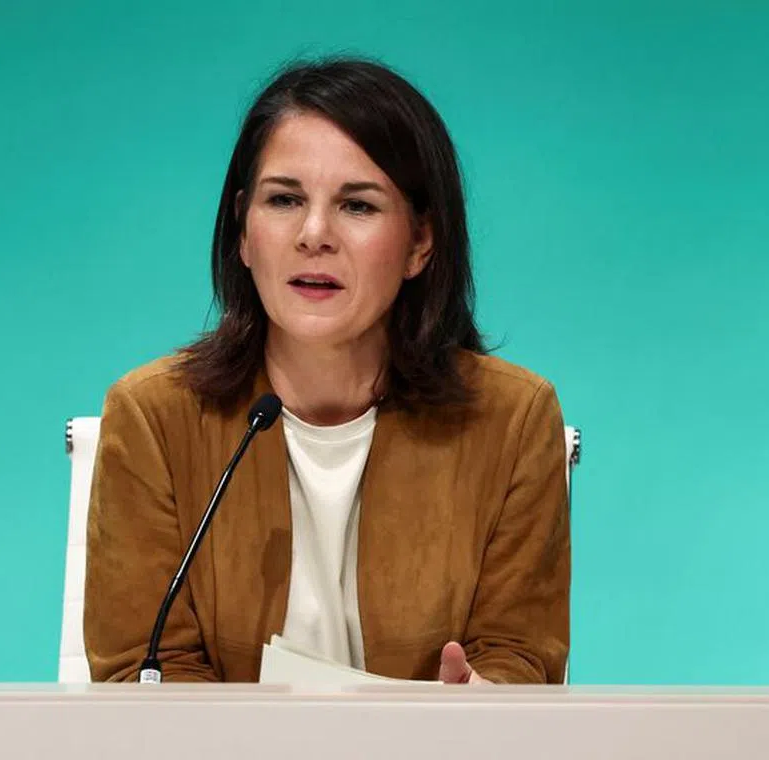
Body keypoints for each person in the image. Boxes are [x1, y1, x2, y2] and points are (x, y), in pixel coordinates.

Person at [84, 57, 570, 684]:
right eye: (284, 200)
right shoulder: (153, 418)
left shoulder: (512, 421)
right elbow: (142, 670)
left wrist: (484, 700)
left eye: (358, 206)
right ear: (243, 231)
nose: (314, 234)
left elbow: (520, 655)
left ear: (421, 242)